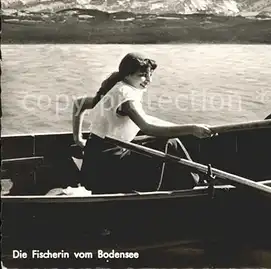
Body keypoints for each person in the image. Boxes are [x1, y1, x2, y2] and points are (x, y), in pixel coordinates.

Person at [72, 52, 214, 194]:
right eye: (142, 75)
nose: (148, 80)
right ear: (127, 75)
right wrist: (192, 129)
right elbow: (147, 127)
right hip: (107, 166)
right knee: (170, 142)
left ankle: (194, 180)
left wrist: (77, 138)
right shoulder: (124, 94)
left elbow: (79, 103)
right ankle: (196, 184)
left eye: (150, 74)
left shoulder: (116, 87)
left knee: (167, 141)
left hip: (96, 160)